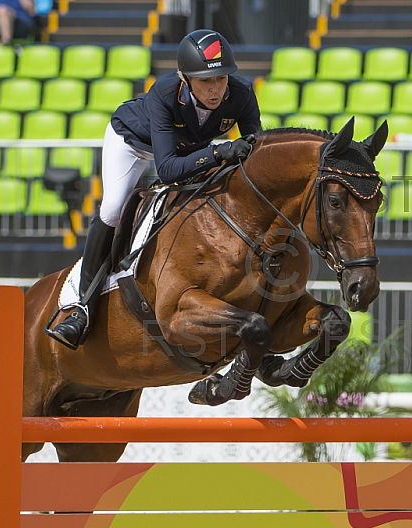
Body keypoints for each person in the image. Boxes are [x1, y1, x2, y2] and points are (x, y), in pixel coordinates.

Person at [46, 29, 262, 349]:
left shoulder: (242, 94)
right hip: (133, 143)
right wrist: (217, 153)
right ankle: (82, 307)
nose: (215, 88)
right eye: (205, 81)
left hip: (187, 150)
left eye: (221, 79)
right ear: (185, 78)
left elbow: (255, 151)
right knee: (114, 209)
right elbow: (168, 169)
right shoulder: (164, 93)